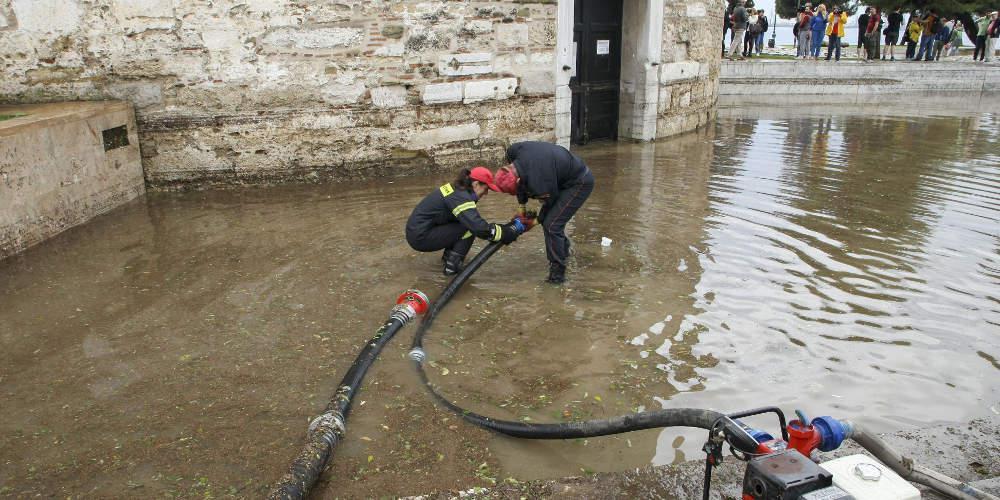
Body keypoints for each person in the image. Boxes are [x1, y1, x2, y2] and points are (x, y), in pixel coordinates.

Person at [494, 142, 595, 284]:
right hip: (557, 174)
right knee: (553, 223)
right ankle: (564, 251)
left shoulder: (540, 183)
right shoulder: (513, 152)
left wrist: (534, 222)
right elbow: (521, 186)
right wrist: (521, 209)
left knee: (552, 225)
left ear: (517, 179)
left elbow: (550, 204)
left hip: (579, 182)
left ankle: (557, 275)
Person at [406, 167, 523, 275]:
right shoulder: (460, 197)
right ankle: (452, 271)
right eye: (486, 189)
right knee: (469, 229)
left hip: (418, 231)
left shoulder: (457, 190)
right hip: (420, 236)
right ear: (476, 184)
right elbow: (480, 228)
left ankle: (447, 261)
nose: (486, 194)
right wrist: (508, 232)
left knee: (464, 225)